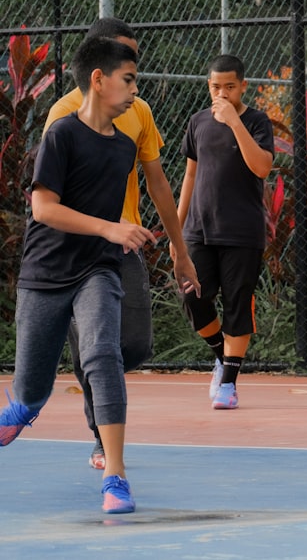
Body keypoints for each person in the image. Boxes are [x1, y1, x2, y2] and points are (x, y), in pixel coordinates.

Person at [0, 36, 159, 513]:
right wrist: (110, 228)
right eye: (128, 80)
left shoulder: (125, 148)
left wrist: (116, 237)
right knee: (32, 387)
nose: (134, 90)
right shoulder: (61, 135)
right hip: (46, 271)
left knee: (103, 354)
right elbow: (44, 208)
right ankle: (24, 407)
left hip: (98, 269)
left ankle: (115, 475)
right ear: (98, 79)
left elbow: (108, 219)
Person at [45, 17, 201, 471]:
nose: (133, 70)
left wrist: (180, 250)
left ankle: (95, 376)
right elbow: (49, 200)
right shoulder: (62, 116)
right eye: (125, 59)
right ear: (99, 64)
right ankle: (102, 438)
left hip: (125, 241)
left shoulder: (140, 112)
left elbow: (158, 184)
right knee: (98, 349)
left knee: (132, 346)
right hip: (76, 251)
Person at [175, 54, 274, 410]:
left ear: (243, 86)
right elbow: (189, 174)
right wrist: (177, 230)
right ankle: (223, 357)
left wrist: (235, 123)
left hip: (242, 233)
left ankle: (228, 385)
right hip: (198, 231)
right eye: (216, 86)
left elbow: (261, 167)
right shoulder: (198, 121)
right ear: (208, 86)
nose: (223, 93)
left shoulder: (257, 121)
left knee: (237, 307)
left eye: (230, 87)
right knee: (192, 297)